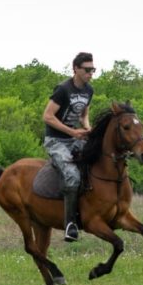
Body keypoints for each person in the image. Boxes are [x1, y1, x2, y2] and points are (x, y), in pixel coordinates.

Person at [42, 52, 96, 242]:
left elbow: (83, 116)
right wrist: (71, 132)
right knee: (72, 175)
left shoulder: (89, 91)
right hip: (55, 141)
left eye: (93, 70)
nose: (91, 73)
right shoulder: (63, 89)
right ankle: (70, 224)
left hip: (74, 137)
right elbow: (47, 116)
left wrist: (88, 129)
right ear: (76, 69)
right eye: (87, 70)